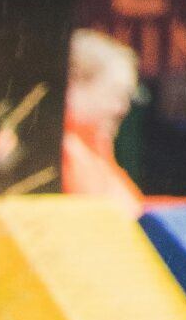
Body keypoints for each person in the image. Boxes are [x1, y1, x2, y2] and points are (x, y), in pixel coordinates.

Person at [62, 29, 144, 210]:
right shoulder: (62, 152)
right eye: (115, 94)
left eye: (126, 98)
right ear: (73, 86)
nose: (121, 109)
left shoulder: (97, 150)